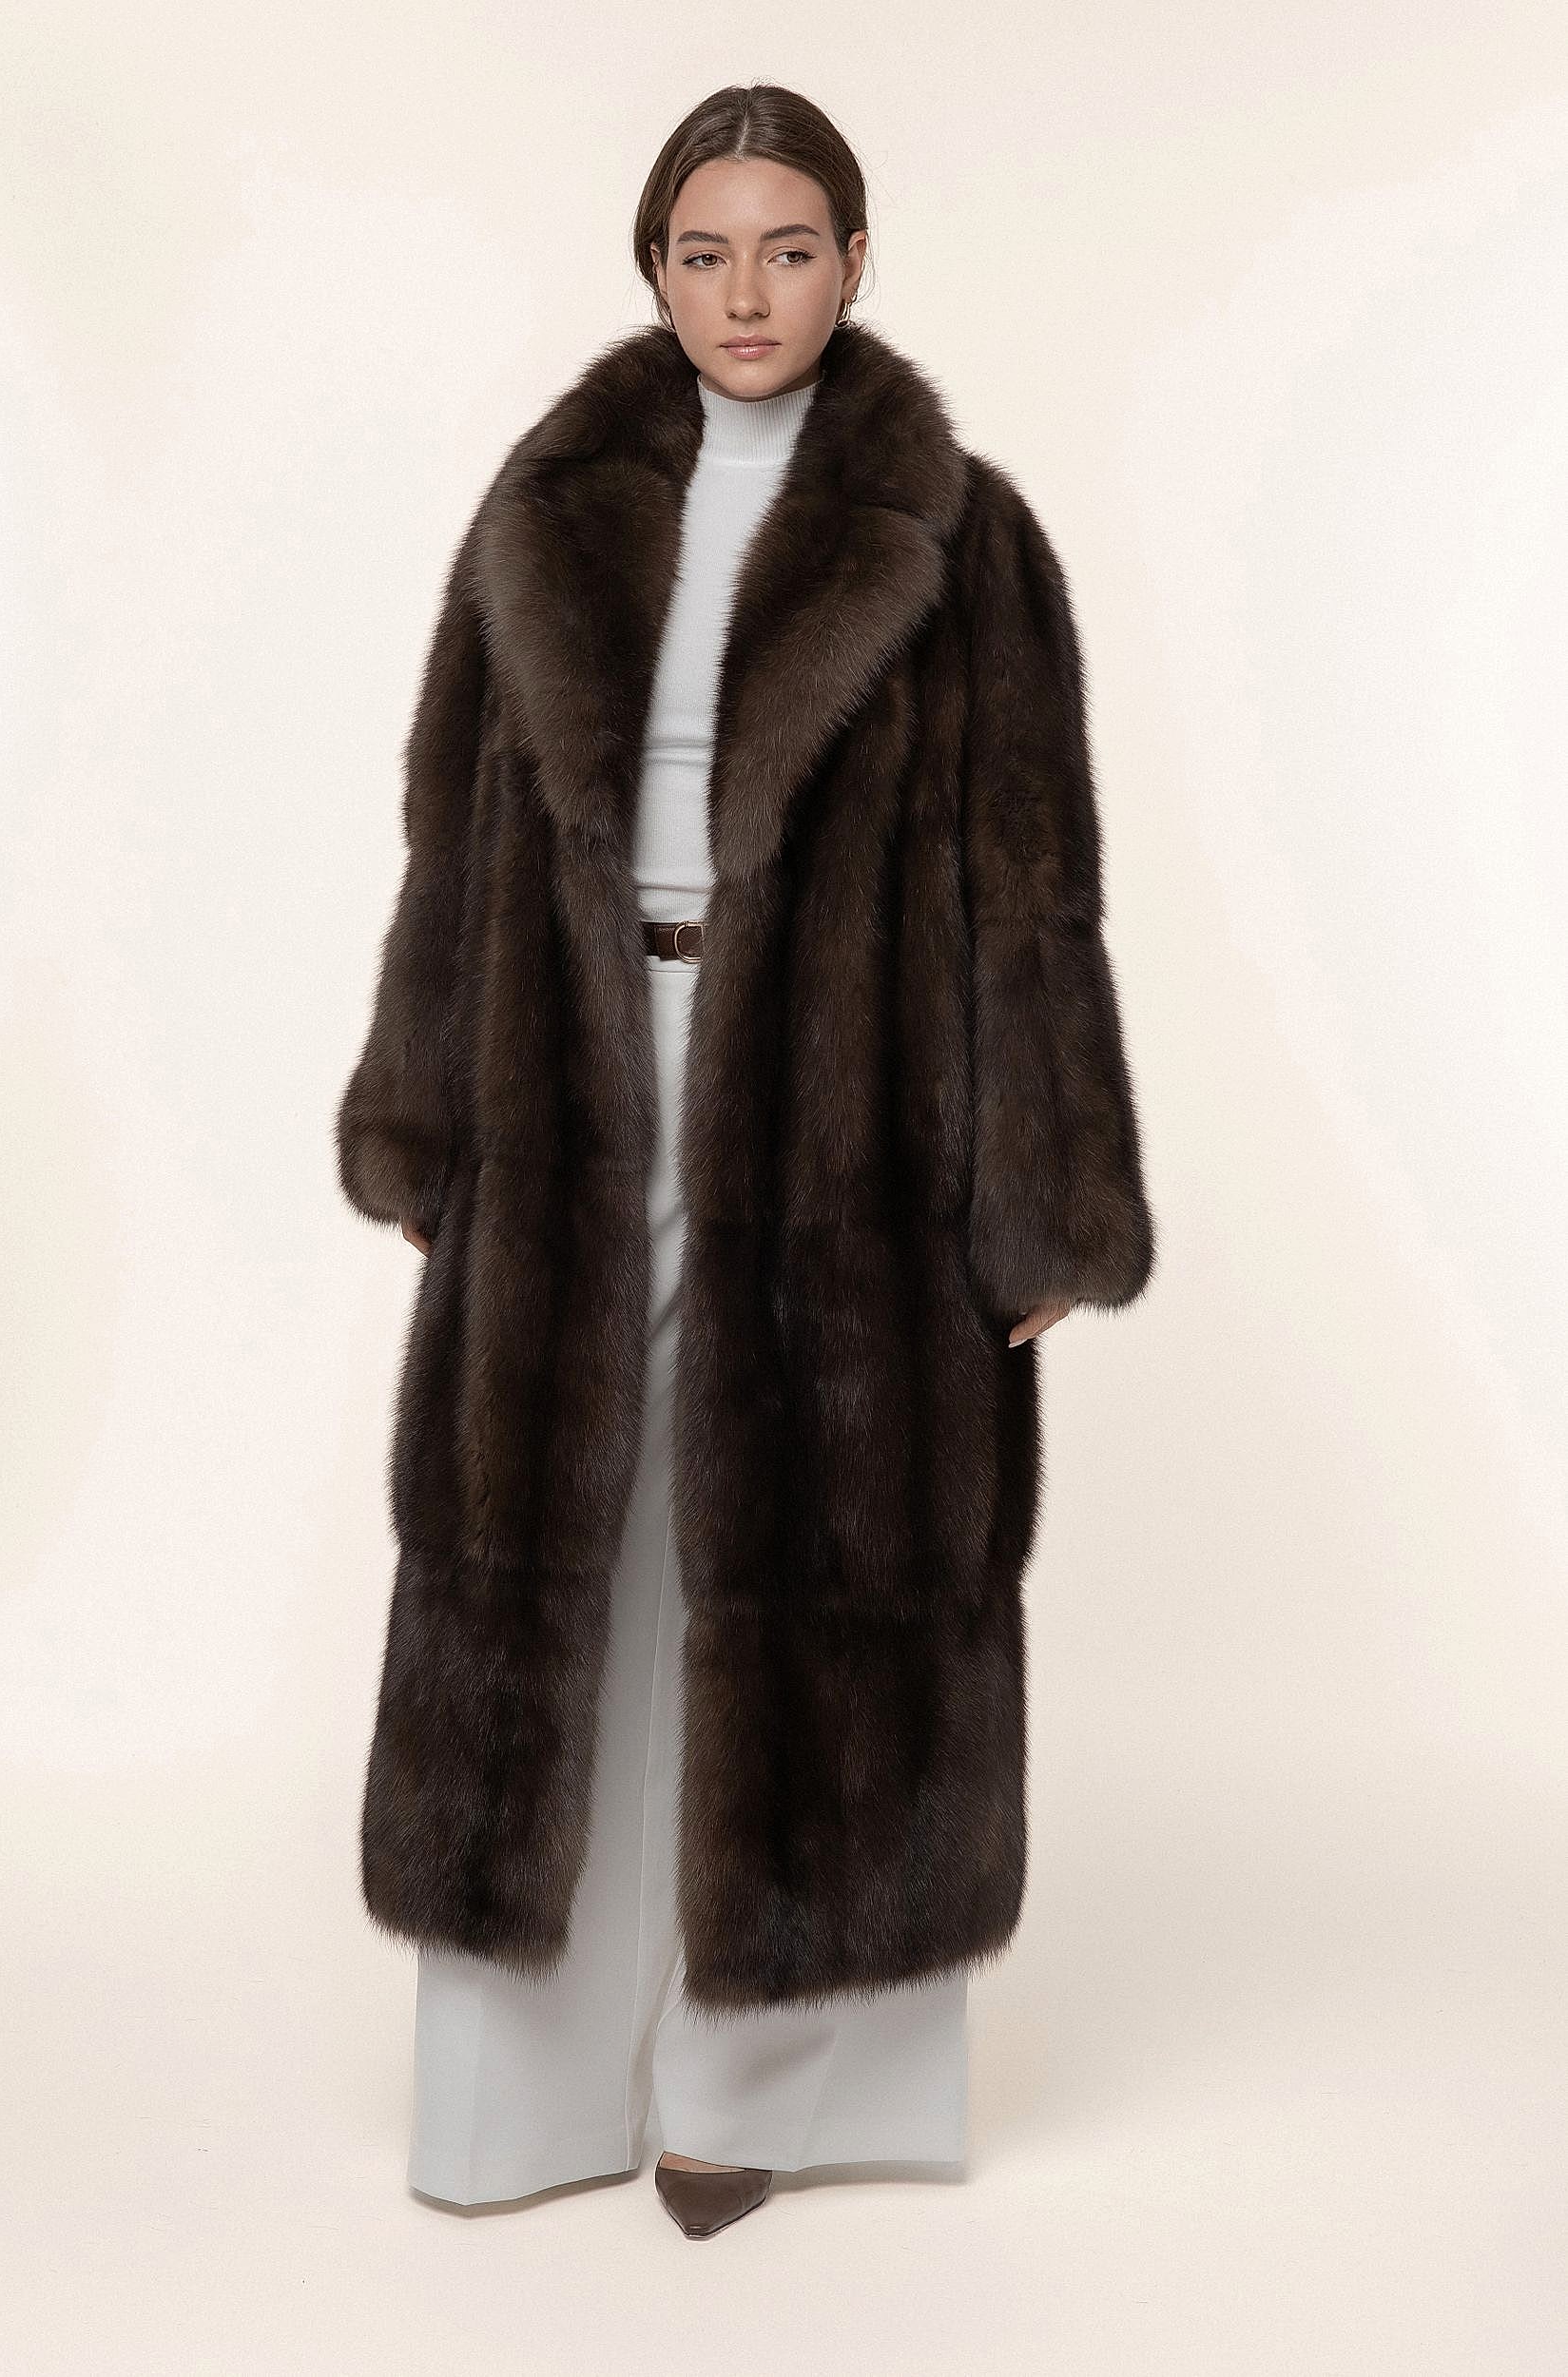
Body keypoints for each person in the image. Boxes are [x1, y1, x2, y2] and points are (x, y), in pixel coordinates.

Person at [336, 83, 1155, 2239]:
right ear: (654, 268)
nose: (745, 292)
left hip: (849, 1095)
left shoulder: (961, 534)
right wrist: (420, 1105)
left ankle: (752, 2085)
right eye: (703, 252)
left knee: (808, 1563)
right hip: (574, 1072)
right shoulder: (545, 508)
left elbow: (1031, 886)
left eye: (788, 248)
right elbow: (455, 832)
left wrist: (1047, 1185)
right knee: (553, 1552)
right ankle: (514, 2100)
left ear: (854, 262)